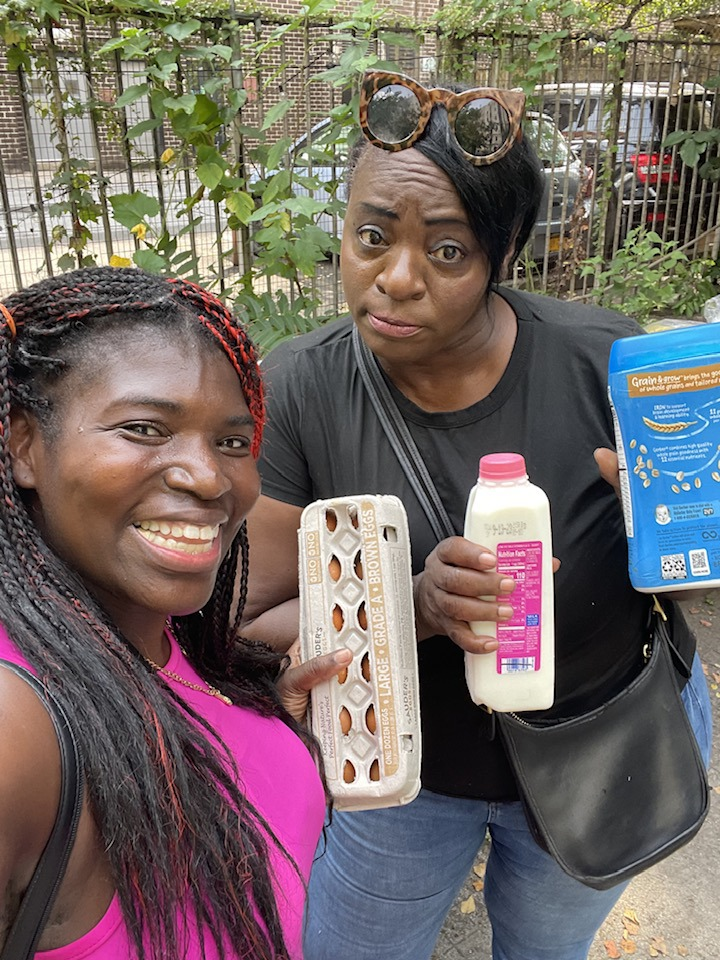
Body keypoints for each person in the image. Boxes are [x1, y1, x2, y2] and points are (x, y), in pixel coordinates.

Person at [240, 71, 714, 960]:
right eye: (371, 237)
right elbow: (259, 627)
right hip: (402, 783)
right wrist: (408, 606)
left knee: (543, 949)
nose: (398, 278)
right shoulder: (300, 390)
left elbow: (694, 557)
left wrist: (690, 533)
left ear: (503, 255)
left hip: (601, 753)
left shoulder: (603, 362)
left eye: (449, 252)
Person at [0, 266, 350, 960]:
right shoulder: (14, 728)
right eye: (143, 428)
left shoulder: (166, 640)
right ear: (23, 446)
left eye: (230, 441)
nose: (209, 476)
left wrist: (260, 726)